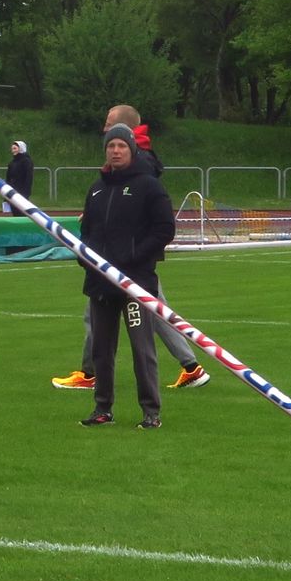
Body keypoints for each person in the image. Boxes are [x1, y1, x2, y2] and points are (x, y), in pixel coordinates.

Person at [52, 104, 209, 393]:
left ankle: (91, 374)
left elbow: (144, 209)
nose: (104, 128)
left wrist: (131, 249)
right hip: (122, 255)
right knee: (156, 311)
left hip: (129, 259)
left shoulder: (140, 162)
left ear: (124, 129)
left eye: (108, 123)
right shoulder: (136, 158)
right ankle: (190, 366)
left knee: (112, 313)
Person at [77, 123, 176, 429]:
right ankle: (102, 408)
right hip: (100, 283)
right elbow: (86, 231)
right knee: (101, 351)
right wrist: (85, 258)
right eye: (111, 146)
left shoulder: (149, 186)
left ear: (131, 150)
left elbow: (164, 230)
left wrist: (132, 256)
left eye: (121, 146)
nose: (116, 151)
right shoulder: (96, 189)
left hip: (135, 283)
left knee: (142, 349)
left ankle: (151, 412)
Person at [3, 139, 33, 214]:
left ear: (21, 148)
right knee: (14, 211)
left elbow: (28, 178)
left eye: (15, 148)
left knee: (22, 213)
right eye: (12, 149)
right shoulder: (12, 163)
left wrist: (26, 193)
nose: (13, 151)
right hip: (13, 191)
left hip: (22, 192)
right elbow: (8, 178)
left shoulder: (26, 161)